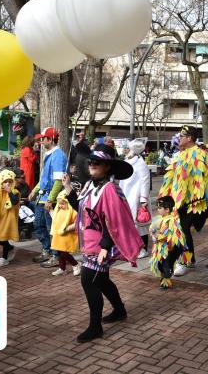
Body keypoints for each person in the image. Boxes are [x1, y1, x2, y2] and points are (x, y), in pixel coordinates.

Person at [61, 144, 142, 343]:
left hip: (101, 246)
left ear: (107, 166)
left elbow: (115, 221)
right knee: (102, 280)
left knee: (89, 280)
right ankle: (120, 310)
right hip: (90, 243)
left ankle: (95, 327)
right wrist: (68, 189)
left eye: (97, 162)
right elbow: (81, 209)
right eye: (91, 161)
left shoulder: (110, 190)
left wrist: (105, 246)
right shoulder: (91, 186)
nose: (92, 164)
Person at [159, 125, 208, 276]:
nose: (178, 138)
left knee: (183, 228)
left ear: (189, 138)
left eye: (182, 135)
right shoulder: (180, 155)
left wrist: (204, 198)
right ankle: (190, 259)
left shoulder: (201, 154)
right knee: (181, 228)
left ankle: (185, 261)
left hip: (196, 202)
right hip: (181, 201)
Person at [29, 127, 68, 268]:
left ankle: (56, 256)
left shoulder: (58, 156)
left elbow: (58, 181)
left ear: (50, 139)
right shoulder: (50, 154)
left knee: (51, 228)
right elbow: (45, 178)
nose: (40, 141)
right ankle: (47, 250)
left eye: (43, 138)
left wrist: (51, 199)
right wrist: (35, 190)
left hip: (50, 198)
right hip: (42, 196)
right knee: (38, 224)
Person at [118, 138, 151, 258]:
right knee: (129, 223)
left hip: (136, 198)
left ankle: (143, 248)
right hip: (127, 196)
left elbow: (145, 181)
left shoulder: (140, 164)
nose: (126, 151)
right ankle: (132, 247)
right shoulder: (128, 161)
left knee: (140, 225)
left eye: (128, 149)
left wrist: (143, 199)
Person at [149, 196, 188, 289]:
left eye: (159, 208)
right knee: (160, 264)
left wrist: (157, 236)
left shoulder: (171, 221)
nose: (158, 209)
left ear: (167, 210)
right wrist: (152, 231)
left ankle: (166, 281)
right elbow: (153, 228)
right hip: (160, 248)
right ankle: (164, 277)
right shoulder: (159, 218)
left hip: (168, 249)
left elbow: (169, 234)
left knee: (166, 264)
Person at [50, 190, 81, 276]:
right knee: (60, 251)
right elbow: (55, 219)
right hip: (59, 235)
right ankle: (62, 268)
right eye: (59, 203)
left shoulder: (73, 211)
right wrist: (51, 211)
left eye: (63, 203)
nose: (60, 205)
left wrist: (66, 229)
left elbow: (77, 223)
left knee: (64, 252)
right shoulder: (59, 210)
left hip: (67, 235)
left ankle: (76, 264)